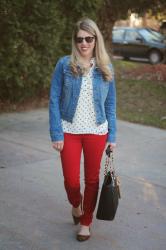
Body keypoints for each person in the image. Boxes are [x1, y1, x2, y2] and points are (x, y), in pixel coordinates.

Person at [49, 17, 117, 242]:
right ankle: (75, 205)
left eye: (89, 38)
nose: (84, 43)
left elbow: (111, 105)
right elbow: (54, 99)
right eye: (80, 39)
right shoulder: (64, 64)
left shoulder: (106, 68)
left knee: (92, 180)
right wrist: (56, 132)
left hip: (97, 131)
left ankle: (86, 221)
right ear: (75, 41)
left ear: (96, 40)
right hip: (68, 130)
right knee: (71, 181)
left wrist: (112, 136)